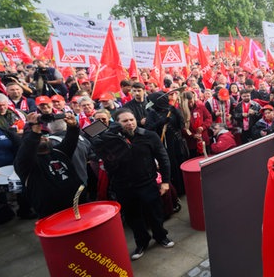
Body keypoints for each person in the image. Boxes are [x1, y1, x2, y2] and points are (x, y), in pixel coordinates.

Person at [92, 108, 175, 260]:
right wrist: (108, 134)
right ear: (116, 123)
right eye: (125, 121)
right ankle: (142, 242)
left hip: (147, 183)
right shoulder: (109, 139)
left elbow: (163, 159)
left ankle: (160, 236)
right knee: (133, 217)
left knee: (155, 213)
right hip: (123, 186)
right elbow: (95, 146)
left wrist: (165, 182)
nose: (130, 123)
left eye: (132, 120)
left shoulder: (149, 136)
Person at [14, 112, 84, 219]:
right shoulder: (25, 164)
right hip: (52, 214)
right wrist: (35, 129)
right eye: (38, 135)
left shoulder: (59, 152)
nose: (42, 137)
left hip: (79, 204)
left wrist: (73, 126)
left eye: (44, 135)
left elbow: (71, 139)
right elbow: (28, 147)